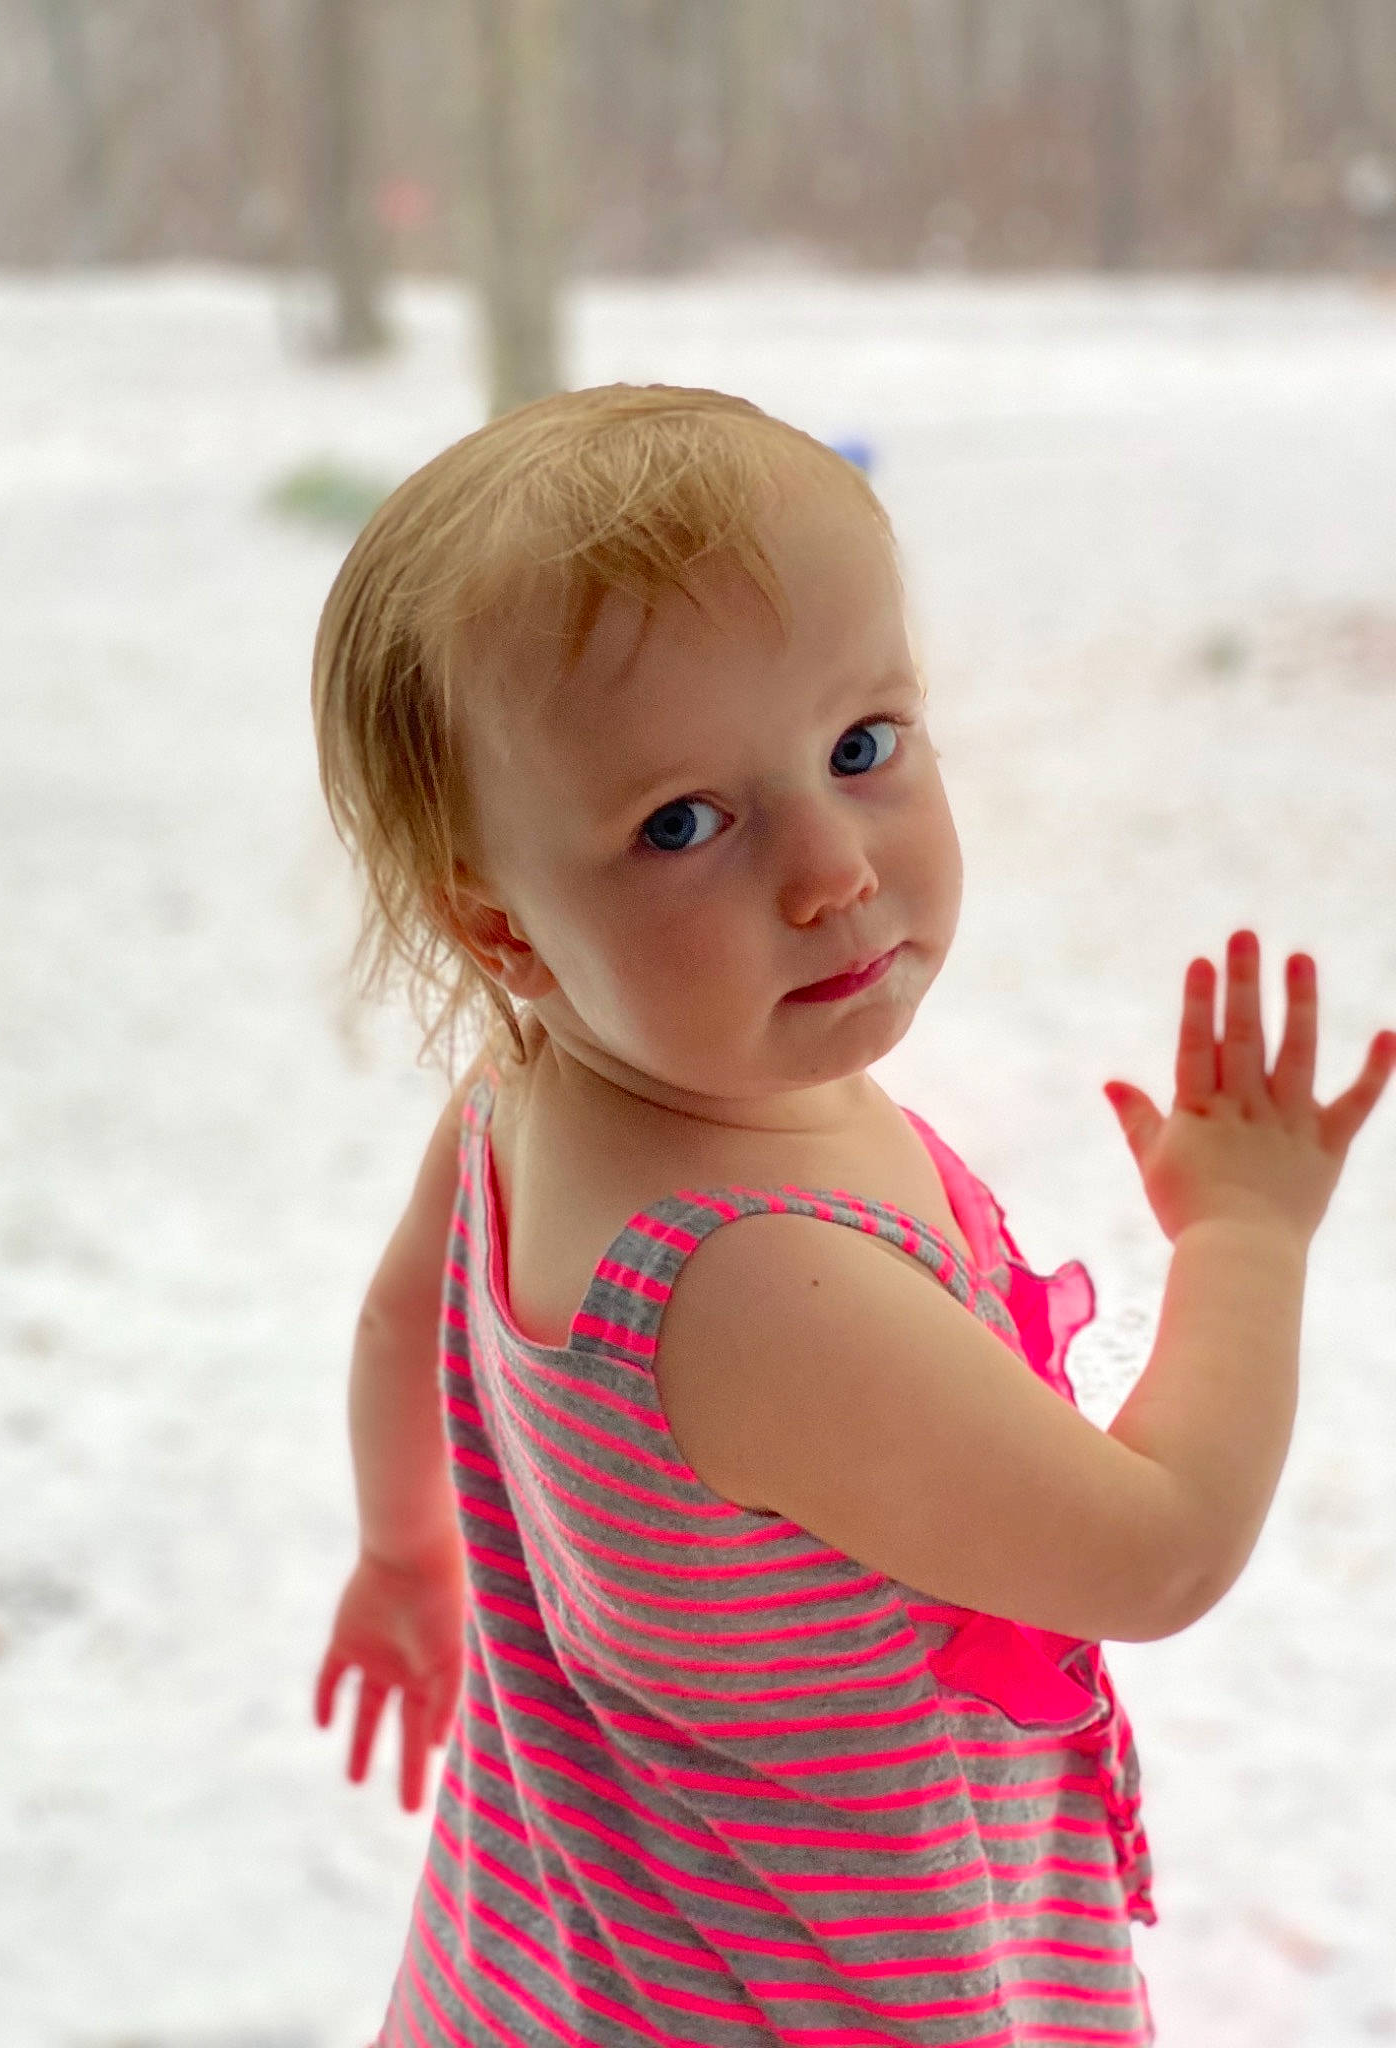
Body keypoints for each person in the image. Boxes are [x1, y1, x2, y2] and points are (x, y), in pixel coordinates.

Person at [307, 384, 1394, 2046]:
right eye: (682, 824)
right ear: (505, 930)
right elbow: (1158, 1545)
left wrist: (403, 1552)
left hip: (557, 1959)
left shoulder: (512, 1107)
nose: (832, 870)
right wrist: (1244, 1238)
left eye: (862, 747)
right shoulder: (748, 1288)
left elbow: (402, 1325)